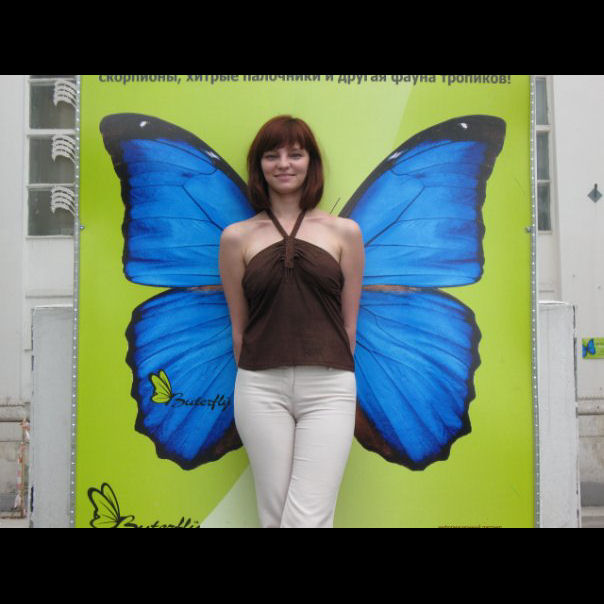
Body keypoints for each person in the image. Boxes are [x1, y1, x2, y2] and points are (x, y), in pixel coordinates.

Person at [219, 115, 364, 528]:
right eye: (272, 155)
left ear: (310, 163)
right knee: (274, 514)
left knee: (307, 517)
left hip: (329, 387)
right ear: (259, 165)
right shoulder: (236, 238)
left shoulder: (345, 233)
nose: (284, 163)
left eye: (295, 154)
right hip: (260, 387)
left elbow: (349, 325)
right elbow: (239, 328)